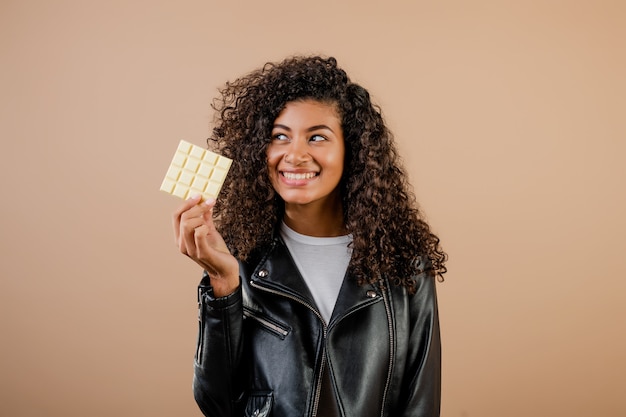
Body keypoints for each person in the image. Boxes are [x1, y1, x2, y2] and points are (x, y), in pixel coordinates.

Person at [172, 55, 447, 417]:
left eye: (317, 137)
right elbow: (217, 402)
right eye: (279, 137)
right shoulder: (237, 259)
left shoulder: (403, 263)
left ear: (353, 151)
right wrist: (222, 282)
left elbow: (420, 403)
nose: (295, 154)